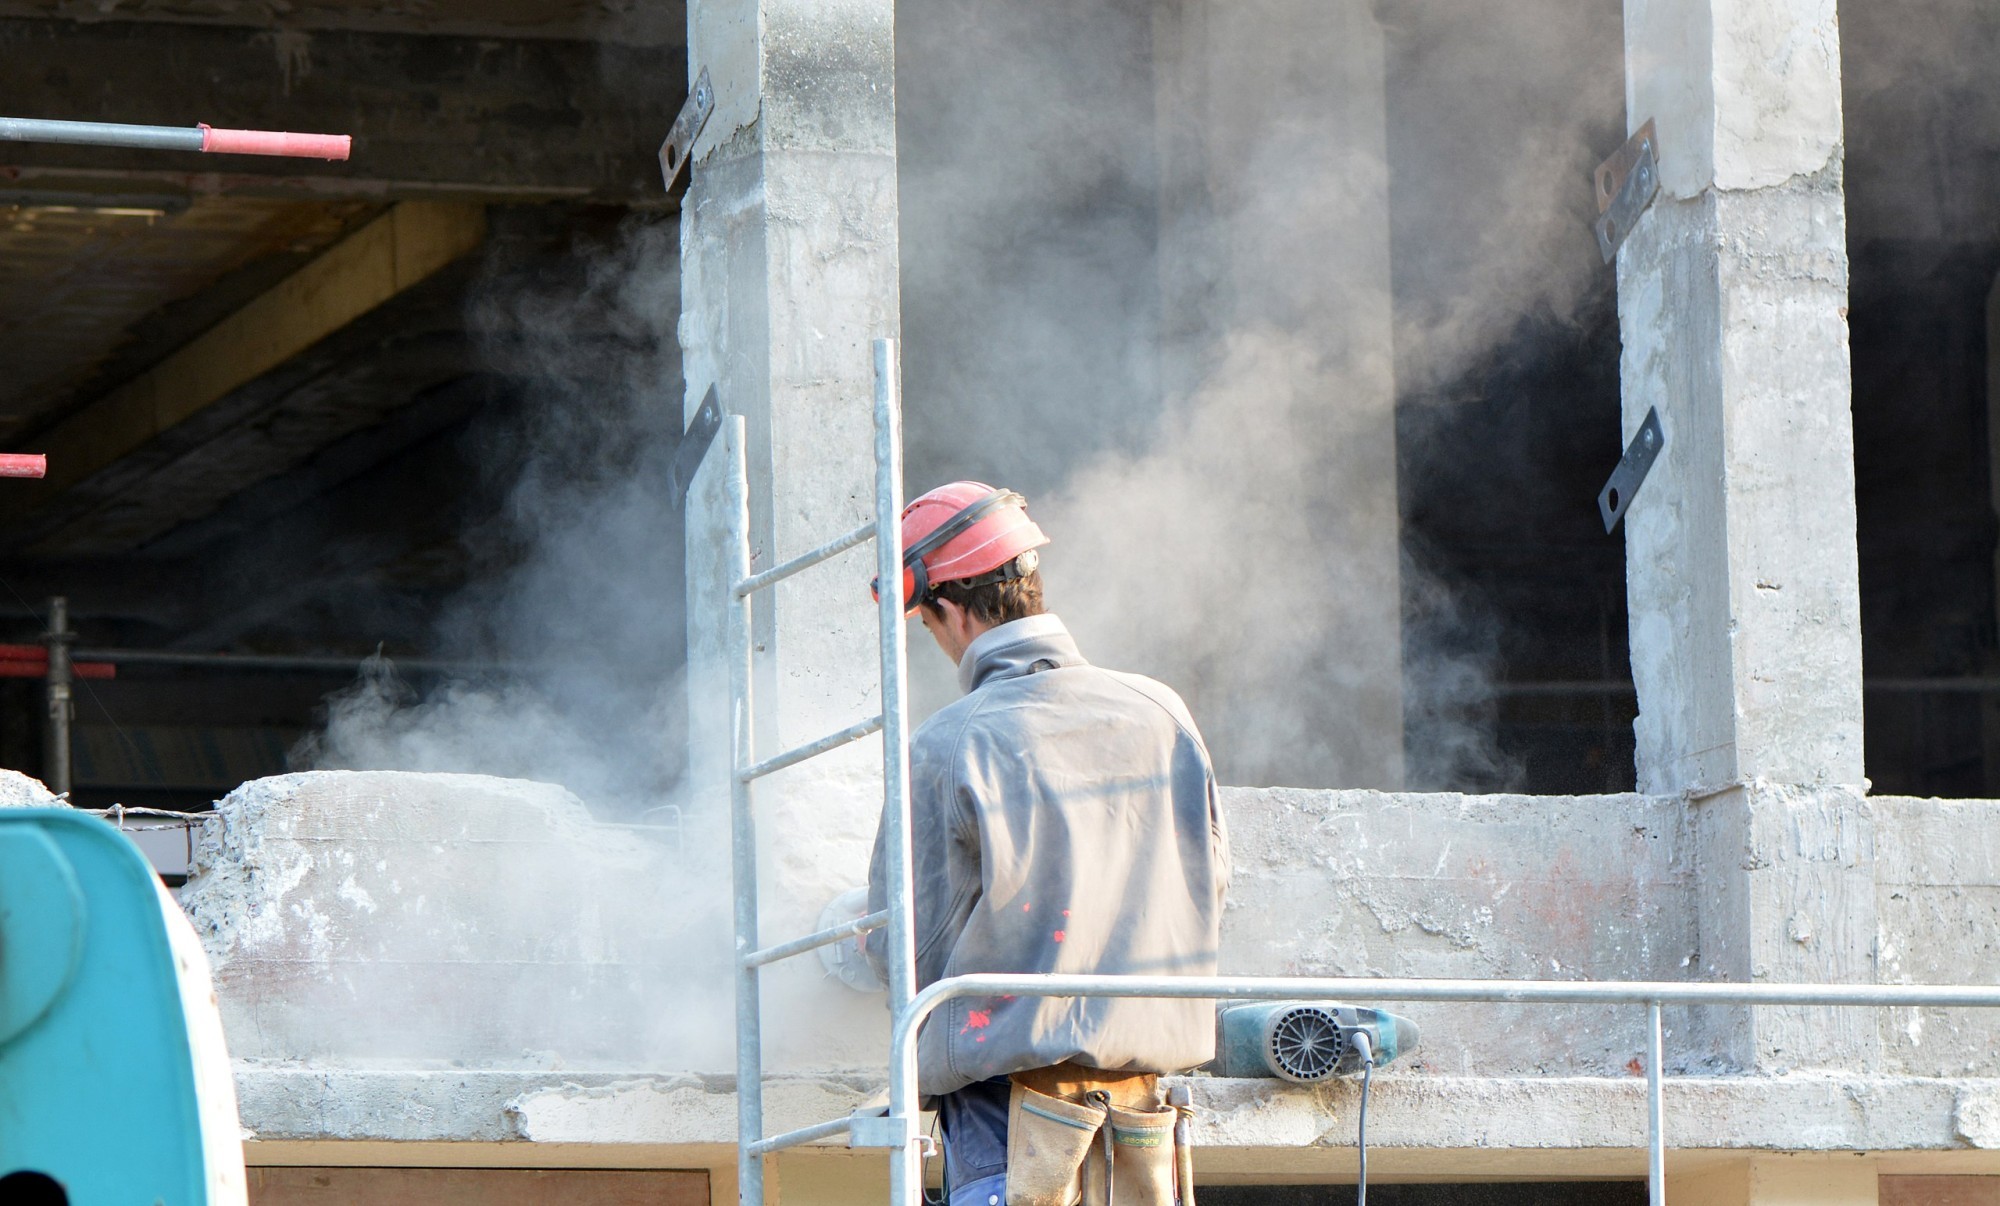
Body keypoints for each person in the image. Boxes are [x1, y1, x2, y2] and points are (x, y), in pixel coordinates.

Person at [864, 481, 1230, 1206]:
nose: (935, 641)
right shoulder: (1163, 714)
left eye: (927, 624)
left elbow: (904, 946)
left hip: (1009, 1126)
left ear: (952, 608)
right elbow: (1210, 881)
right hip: (1144, 1125)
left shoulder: (950, 742)